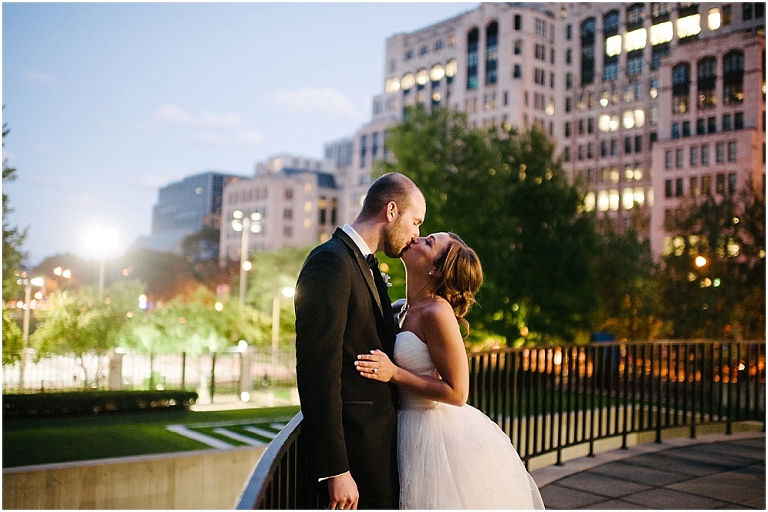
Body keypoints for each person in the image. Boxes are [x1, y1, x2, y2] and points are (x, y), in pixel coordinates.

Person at [355, 232, 545, 510]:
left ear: (436, 268)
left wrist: (393, 373)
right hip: (404, 425)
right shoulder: (402, 308)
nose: (416, 238)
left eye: (428, 242)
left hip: (433, 433)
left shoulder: (436, 313)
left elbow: (458, 392)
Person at [294, 172, 426, 510]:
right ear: (391, 211)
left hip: (378, 448)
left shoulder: (365, 263)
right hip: (356, 457)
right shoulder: (331, 262)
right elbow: (317, 370)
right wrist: (336, 469)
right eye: (415, 222)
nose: (416, 234)